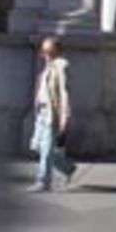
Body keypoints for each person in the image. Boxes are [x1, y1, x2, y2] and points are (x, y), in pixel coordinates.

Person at [29, 36, 75, 192]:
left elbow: (64, 92)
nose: (44, 54)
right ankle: (67, 168)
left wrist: (64, 116)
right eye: (43, 50)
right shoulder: (47, 66)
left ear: (57, 51)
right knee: (37, 146)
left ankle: (43, 181)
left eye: (48, 50)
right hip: (41, 112)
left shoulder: (62, 66)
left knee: (47, 149)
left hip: (51, 113)